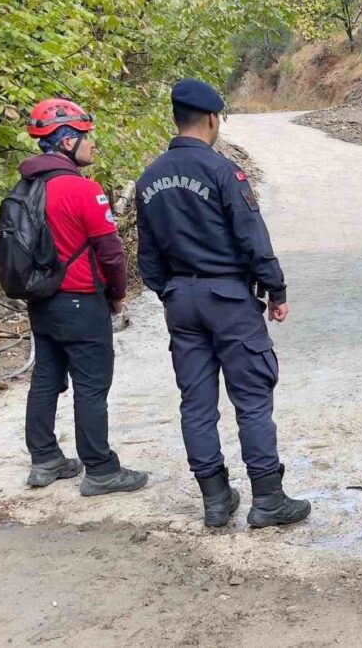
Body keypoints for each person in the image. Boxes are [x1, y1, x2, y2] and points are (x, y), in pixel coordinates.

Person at [136, 78, 310, 529]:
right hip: (229, 300)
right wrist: (276, 291)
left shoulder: (149, 178)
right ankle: (268, 499)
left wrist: (172, 292)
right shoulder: (223, 172)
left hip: (181, 301)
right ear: (212, 119)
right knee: (252, 400)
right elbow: (252, 237)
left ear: (175, 118)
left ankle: (215, 500)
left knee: (196, 404)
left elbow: (148, 257)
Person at [19, 98, 149, 496]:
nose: (92, 143)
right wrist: (117, 294)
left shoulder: (25, 187)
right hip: (80, 301)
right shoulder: (83, 189)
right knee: (91, 385)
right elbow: (110, 252)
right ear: (65, 141)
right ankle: (101, 470)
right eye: (85, 136)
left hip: (42, 301)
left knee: (45, 378)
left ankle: (45, 459)